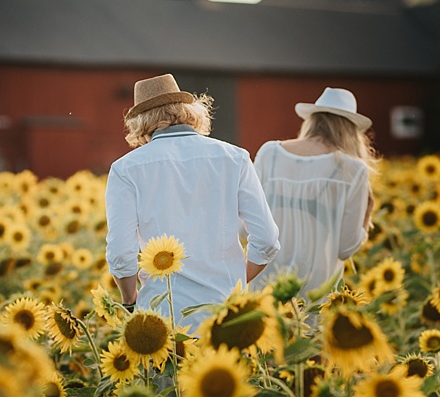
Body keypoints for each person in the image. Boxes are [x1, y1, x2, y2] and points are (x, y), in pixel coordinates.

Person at [105, 74, 280, 330]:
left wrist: (130, 300)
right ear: (188, 111)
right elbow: (266, 240)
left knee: (168, 372)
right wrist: (236, 283)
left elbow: (121, 253)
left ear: (141, 122)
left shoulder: (126, 169)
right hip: (228, 314)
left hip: (162, 315)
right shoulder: (235, 158)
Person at [253, 88, 377, 294]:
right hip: (316, 288)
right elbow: (345, 248)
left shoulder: (270, 153)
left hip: (265, 282)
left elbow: (246, 227)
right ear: (351, 130)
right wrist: (367, 213)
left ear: (312, 121)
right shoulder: (353, 170)